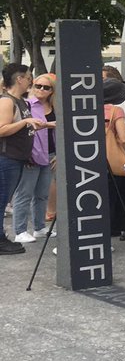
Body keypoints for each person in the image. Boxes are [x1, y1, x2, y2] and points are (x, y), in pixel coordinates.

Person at [0, 64, 49, 253]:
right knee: (3, 199)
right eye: (29, 78)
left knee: (5, 198)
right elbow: (2, 129)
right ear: (19, 79)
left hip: (18, 157)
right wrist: (26, 121)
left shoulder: (20, 101)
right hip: (7, 158)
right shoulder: (7, 101)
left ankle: (2, 238)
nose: (31, 81)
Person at [12, 73, 56, 243]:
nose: (41, 89)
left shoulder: (55, 107)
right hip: (32, 154)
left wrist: (59, 154)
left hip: (50, 154)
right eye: (38, 86)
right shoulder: (27, 105)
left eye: (46, 87)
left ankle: (39, 227)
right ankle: (20, 230)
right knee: (24, 193)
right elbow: (23, 129)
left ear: (52, 90)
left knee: (42, 194)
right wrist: (27, 155)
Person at [102, 66, 125, 240]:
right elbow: (123, 136)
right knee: (114, 191)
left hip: (118, 151)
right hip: (114, 151)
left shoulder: (123, 103)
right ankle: (116, 225)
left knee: (120, 190)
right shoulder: (115, 109)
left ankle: (120, 224)